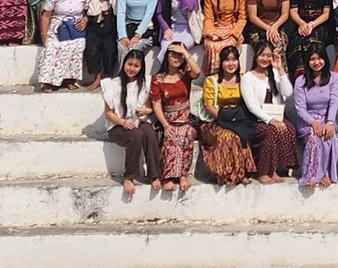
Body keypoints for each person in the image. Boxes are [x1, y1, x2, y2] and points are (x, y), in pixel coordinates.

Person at [197, 46, 258, 187]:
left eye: (234, 60)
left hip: (237, 120)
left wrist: (234, 119)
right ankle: (227, 175)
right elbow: (209, 106)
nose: (231, 64)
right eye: (227, 60)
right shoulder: (211, 81)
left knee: (240, 134)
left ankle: (241, 173)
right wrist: (225, 118)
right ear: (221, 63)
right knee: (229, 136)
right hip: (215, 121)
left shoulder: (243, 80)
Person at [101, 48, 158, 197]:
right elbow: (108, 113)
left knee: (150, 133)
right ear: (124, 64)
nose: (132, 68)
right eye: (129, 64)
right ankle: (129, 176)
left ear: (141, 67)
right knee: (135, 135)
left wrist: (147, 111)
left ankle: (155, 174)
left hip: (139, 121)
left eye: (136, 66)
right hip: (118, 126)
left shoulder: (146, 84)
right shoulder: (112, 85)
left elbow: (150, 107)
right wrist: (122, 122)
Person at [149, 43, 199, 193]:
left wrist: (184, 51)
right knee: (171, 136)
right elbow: (156, 104)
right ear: (166, 56)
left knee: (186, 134)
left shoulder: (185, 74)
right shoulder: (157, 79)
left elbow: (197, 72)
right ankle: (169, 176)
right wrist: (165, 124)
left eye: (179, 55)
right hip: (168, 120)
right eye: (173, 54)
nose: (177, 58)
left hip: (186, 120)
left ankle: (183, 175)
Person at [292, 46, 338, 187]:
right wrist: (314, 123)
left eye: (319, 58)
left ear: (325, 59)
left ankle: (326, 173)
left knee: (329, 137)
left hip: (327, 118)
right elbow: (300, 108)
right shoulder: (300, 81)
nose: (316, 62)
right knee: (314, 139)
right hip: (307, 121)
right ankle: (311, 176)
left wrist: (330, 123)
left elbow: (334, 102)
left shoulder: (334, 78)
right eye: (312, 59)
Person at [35, 0, 89, 89]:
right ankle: (49, 82)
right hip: (57, 25)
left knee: (77, 45)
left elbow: (87, 10)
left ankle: (69, 80)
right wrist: (44, 34)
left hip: (76, 26)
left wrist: (85, 19)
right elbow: (46, 15)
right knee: (52, 46)